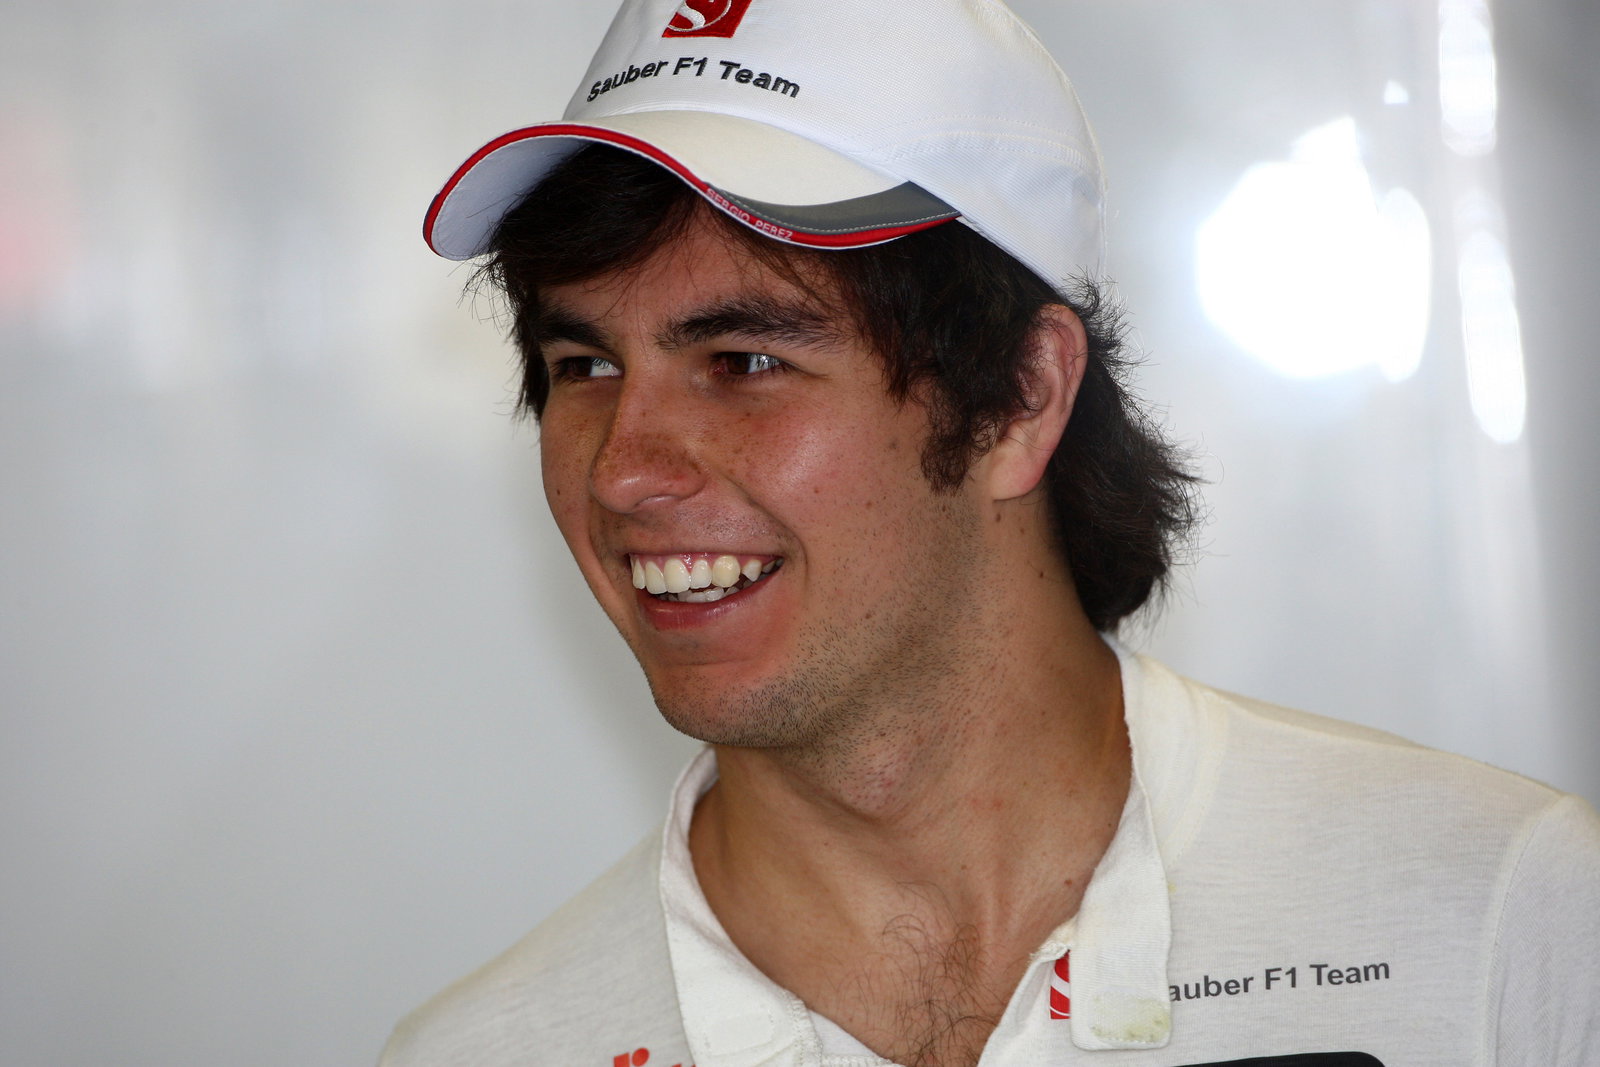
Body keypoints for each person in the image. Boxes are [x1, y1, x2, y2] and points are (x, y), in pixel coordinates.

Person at [383, 1, 1600, 1064]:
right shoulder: (481, 1051)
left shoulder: (1499, 921)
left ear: (1023, 395)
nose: (623, 469)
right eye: (583, 364)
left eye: (743, 359)